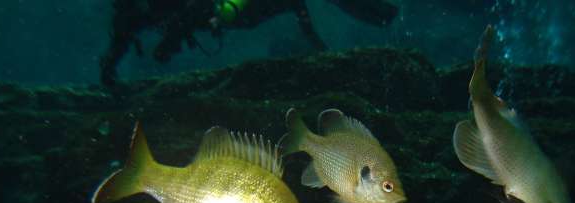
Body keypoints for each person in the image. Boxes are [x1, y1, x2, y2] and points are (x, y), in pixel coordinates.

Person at [99, 0, 399, 87]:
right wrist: (109, 70)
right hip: (233, 16)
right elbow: (120, 39)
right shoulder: (127, 14)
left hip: (237, 13)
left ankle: (380, 15)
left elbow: (190, 14)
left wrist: (171, 40)